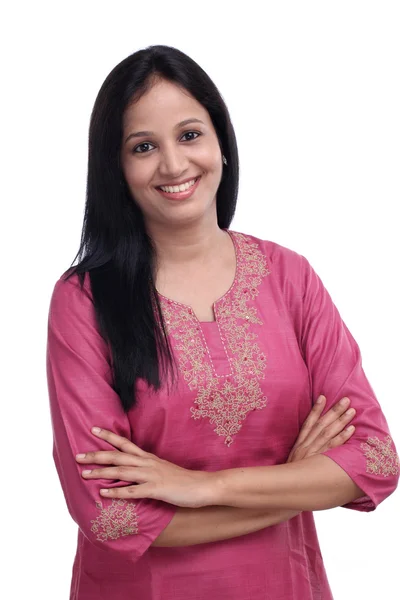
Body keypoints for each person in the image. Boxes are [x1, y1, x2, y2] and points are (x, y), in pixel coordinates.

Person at [46, 45, 399, 600]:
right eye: (144, 146)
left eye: (190, 135)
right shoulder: (85, 300)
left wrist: (200, 488)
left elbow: (374, 459)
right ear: (116, 168)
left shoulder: (290, 277)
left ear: (222, 144)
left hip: (283, 584)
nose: (174, 164)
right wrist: (296, 482)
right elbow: (110, 517)